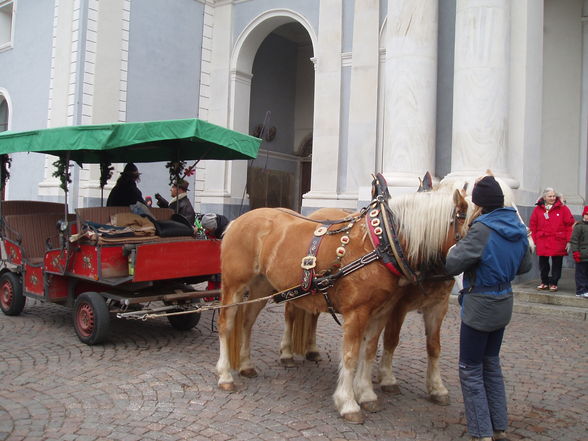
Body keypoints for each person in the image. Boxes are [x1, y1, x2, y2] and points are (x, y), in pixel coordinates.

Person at [445, 176, 532, 441]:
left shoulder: (482, 229)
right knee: (491, 364)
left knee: (470, 369)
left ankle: (481, 432)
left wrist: (455, 249)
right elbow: (525, 267)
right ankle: (499, 425)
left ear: (480, 205)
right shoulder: (516, 225)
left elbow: (453, 264)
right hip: (504, 300)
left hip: (480, 304)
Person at [529, 187, 575, 292]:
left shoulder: (563, 208)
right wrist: (533, 240)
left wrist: (569, 240)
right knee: (543, 263)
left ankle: (554, 283)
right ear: (544, 197)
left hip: (558, 239)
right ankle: (544, 282)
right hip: (543, 239)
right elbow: (533, 225)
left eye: (554, 196)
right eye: (550, 196)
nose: (552, 198)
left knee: (557, 263)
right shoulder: (538, 209)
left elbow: (569, 225)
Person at [570, 206, 588, 298]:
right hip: (581, 255)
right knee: (581, 273)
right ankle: (581, 290)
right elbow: (574, 240)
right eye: (586, 215)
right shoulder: (579, 226)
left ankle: (586, 289)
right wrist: (576, 252)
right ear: (583, 215)